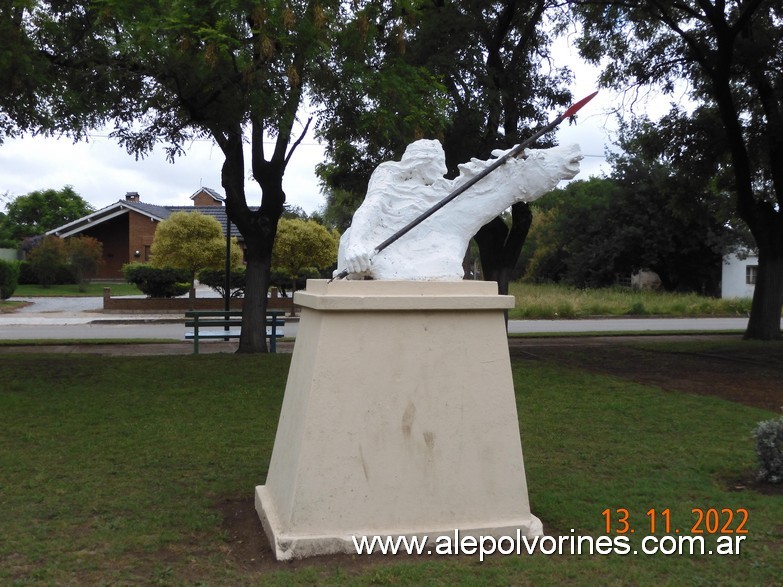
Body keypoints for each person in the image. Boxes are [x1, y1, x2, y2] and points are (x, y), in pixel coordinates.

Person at [335, 139, 581, 280]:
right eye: (438, 163)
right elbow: (369, 208)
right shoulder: (387, 176)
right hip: (377, 247)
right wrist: (357, 244)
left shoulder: (437, 195)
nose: (443, 170)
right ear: (421, 162)